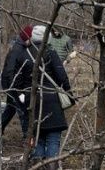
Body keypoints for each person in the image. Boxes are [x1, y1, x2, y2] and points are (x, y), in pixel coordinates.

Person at [29, 24, 71, 169]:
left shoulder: (25, 53)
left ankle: (38, 166)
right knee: (53, 139)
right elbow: (61, 76)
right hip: (51, 101)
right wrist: (68, 93)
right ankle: (51, 167)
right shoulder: (50, 52)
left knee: (38, 138)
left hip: (33, 102)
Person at [0, 25, 34, 142]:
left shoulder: (21, 48)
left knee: (10, 109)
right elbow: (10, 71)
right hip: (12, 86)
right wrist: (16, 89)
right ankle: (27, 139)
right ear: (27, 38)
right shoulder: (17, 50)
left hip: (12, 85)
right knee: (22, 111)